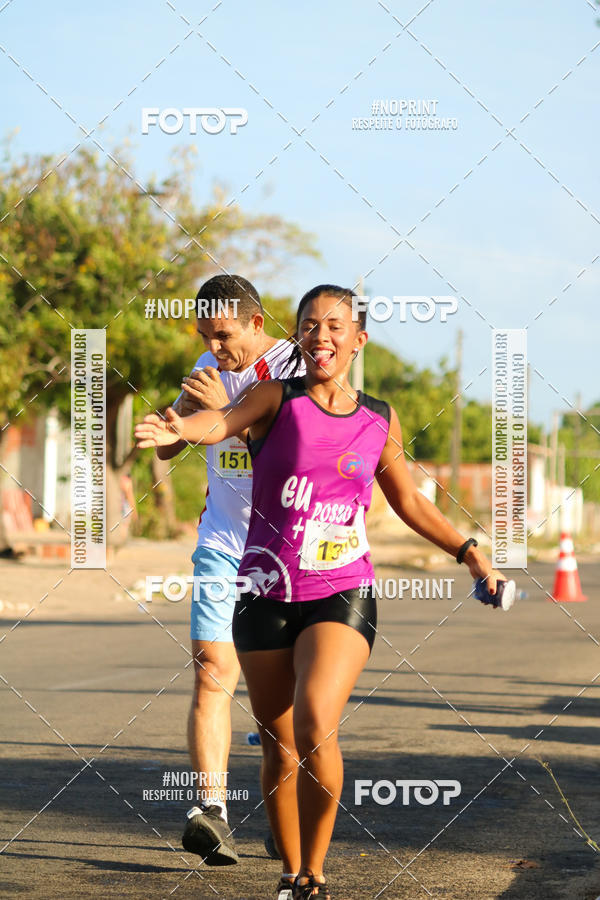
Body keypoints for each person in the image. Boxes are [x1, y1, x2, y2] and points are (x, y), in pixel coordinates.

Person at [135, 284, 507, 899]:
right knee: (279, 746)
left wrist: (470, 553)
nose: (321, 337)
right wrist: (177, 424)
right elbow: (218, 422)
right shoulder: (273, 396)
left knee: (314, 723)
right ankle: (288, 873)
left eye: (334, 326)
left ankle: (315, 872)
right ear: (297, 334)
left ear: (359, 339)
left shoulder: (377, 417)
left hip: (341, 589)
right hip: (263, 586)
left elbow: (409, 500)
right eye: (310, 325)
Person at [156, 274, 301, 865]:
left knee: (283, 693)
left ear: (256, 324)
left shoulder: (293, 369)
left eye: (223, 336)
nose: (213, 348)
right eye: (204, 337)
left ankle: (286, 813)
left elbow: (289, 456)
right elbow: (170, 446)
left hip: (285, 548)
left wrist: (223, 412)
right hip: (222, 540)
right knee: (212, 668)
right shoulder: (206, 365)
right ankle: (210, 812)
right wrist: (178, 419)